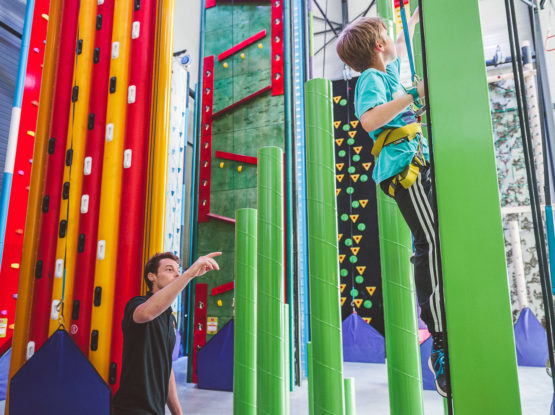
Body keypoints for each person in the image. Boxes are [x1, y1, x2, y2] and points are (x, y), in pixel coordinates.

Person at [336, 11, 450, 397]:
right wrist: (413, 95)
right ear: (377, 45)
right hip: (403, 167)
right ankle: (439, 337)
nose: (392, 38)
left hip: (418, 158)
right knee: (429, 240)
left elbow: (400, 45)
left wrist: (413, 19)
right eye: (386, 34)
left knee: (437, 238)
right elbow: (370, 120)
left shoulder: (389, 75)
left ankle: (443, 319)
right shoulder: (371, 79)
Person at [112, 251, 222, 414]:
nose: (177, 274)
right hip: (131, 408)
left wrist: (178, 413)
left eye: (178, 270)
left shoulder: (170, 319)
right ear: (152, 276)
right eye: (169, 269)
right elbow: (146, 313)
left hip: (157, 409)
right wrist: (189, 274)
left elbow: (166, 368)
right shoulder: (136, 304)